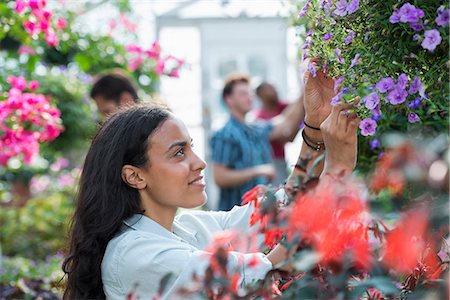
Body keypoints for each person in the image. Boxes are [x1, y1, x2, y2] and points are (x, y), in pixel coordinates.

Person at [62, 64, 359, 299]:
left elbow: (277, 212)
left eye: (191, 147)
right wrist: (339, 169)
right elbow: (275, 264)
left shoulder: (187, 229)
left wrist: (315, 126)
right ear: (135, 175)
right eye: (179, 153)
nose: (199, 163)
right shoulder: (137, 255)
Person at [211, 74, 305, 211]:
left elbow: (284, 122)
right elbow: (220, 177)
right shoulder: (224, 133)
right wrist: (258, 171)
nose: (250, 97)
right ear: (229, 100)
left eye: (249, 93)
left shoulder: (255, 128)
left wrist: (305, 93)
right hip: (235, 214)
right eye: (243, 94)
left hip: (258, 211)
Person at [254, 82, 290, 186]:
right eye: (270, 89)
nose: (275, 91)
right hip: (272, 161)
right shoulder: (260, 117)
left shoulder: (282, 107)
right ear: (261, 95)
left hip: (282, 160)